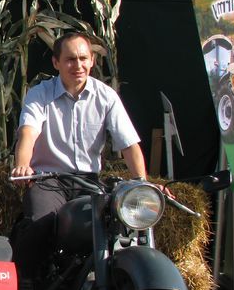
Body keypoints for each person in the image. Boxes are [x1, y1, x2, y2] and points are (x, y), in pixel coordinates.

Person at [10, 31, 146, 276]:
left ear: (92, 60)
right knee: (40, 223)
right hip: (48, 180)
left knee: (116, 226)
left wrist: (142, 184)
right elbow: (28, 133)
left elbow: (129, 144)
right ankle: (22, 289)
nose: (78, 65)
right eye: (70, 59)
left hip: (89, 182)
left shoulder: (106, 97)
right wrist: (22, 165)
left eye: (83, 58)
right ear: (56, 63)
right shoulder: (39, 94)